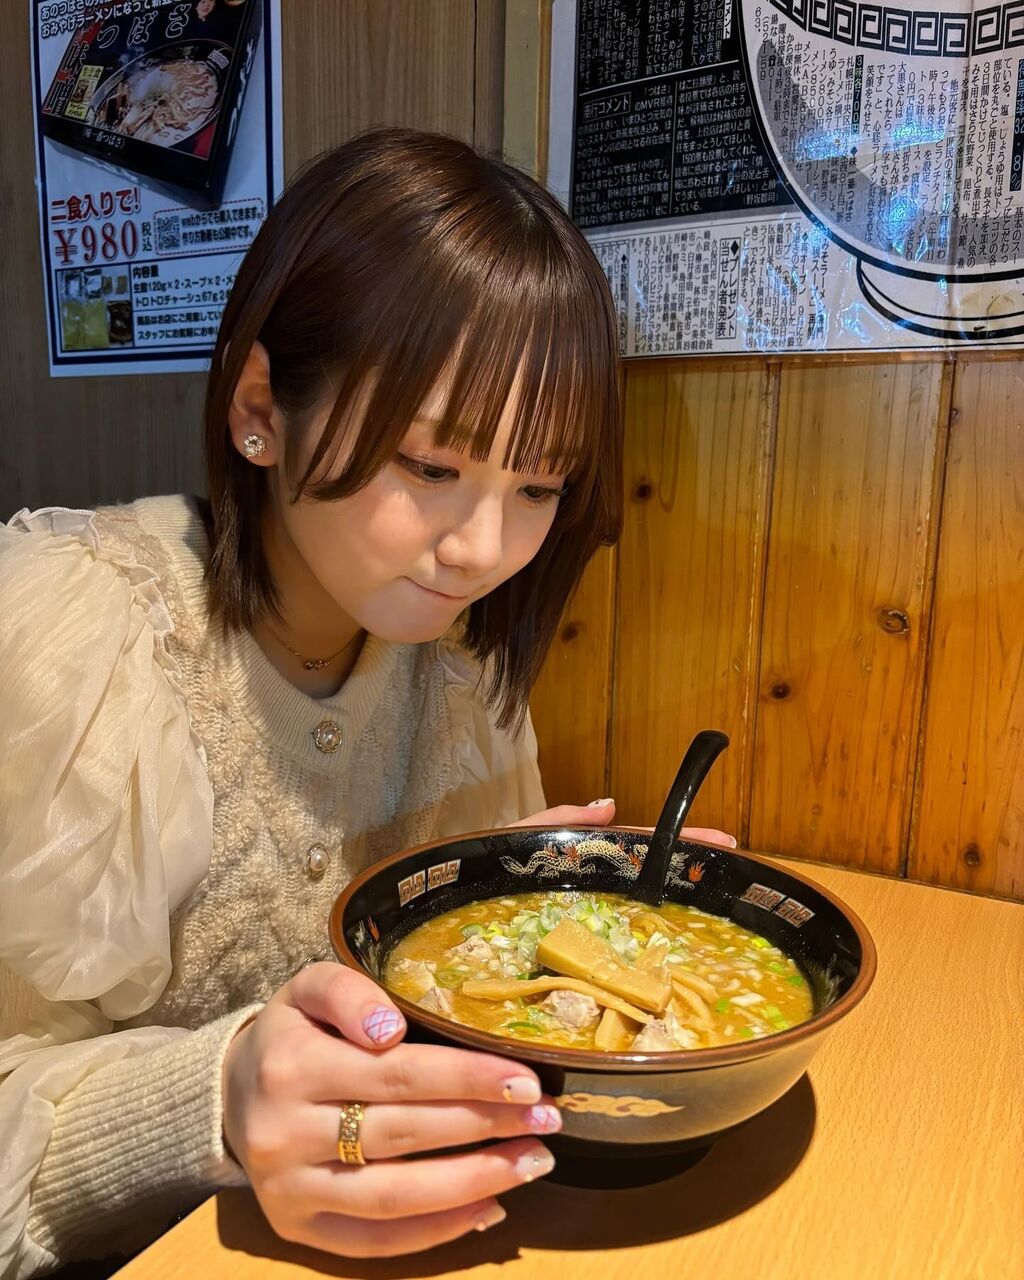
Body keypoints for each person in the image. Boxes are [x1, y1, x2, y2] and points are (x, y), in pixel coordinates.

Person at [0, 128, 733, 1277]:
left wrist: (524, 915)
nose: (483, 548)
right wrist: (213, 1096)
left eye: (538, 484)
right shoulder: (66, 637)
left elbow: (433, 1028)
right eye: (431, 467)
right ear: (261, 405)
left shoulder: (457, 671)